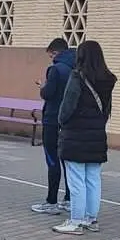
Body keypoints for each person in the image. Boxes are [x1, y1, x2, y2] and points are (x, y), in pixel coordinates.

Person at [53, 40, 117, 235]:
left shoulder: (77, 77)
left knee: (76, 179)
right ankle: (91, 218)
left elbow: (67, 107)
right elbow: (107, 109)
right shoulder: (108, 79)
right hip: (97, 133)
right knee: (93, 178)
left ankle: (76, 221)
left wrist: (61, 122)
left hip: (76, 133)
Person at [31, 38, 76, 214]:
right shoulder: (76, 68)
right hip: (69, 121)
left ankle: (51, 201)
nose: (51, 59)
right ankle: (70, 199)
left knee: (52, 160)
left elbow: (49, 93)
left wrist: (43, 87)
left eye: (51, 55)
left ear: (55, 52)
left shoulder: (56, 69)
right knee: (68, 161)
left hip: (52, 119)